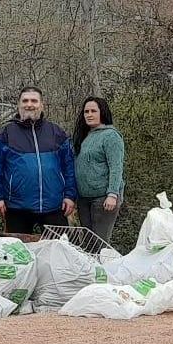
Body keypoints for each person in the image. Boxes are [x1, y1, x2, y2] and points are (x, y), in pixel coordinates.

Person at [0, 86, 77, 234]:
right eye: (25, 100)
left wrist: (70, 196)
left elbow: (69, 167)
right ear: (19, 104)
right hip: (17, 207)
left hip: (54, 206)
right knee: (17, 252)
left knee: (60, 251)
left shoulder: (56, 132)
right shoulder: (5, 133)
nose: (29, 104)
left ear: (41, 105)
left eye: (34, 101)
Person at [72, 96, 125, 243]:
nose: (89, 114)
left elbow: (116, 167)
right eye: (86, 111)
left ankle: (103, 266)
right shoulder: (83, 136)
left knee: (99, 244)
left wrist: (112, 194)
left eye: (93, 111)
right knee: (88, 243)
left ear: (102, 112)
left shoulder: (111, 136)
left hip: (103, 198)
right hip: (83, 198)